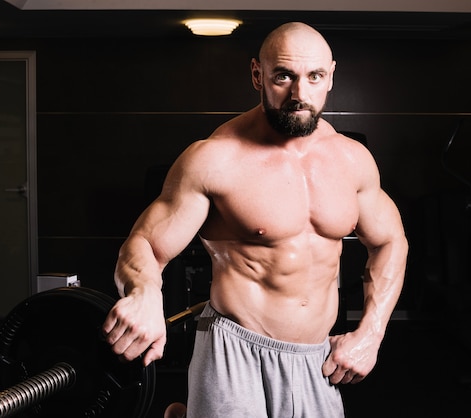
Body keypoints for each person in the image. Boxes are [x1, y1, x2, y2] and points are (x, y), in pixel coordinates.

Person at [102, 21, 408, 417]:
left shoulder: (352, 160)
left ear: (330, 75)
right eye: (283, 76)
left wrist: (371, 333)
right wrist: (144, 294)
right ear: (256, 74)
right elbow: (144, 244)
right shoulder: (214, 158)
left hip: (316, 360)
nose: (300, 94)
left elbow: (390, 241)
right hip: (234, 347)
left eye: (314, 77)